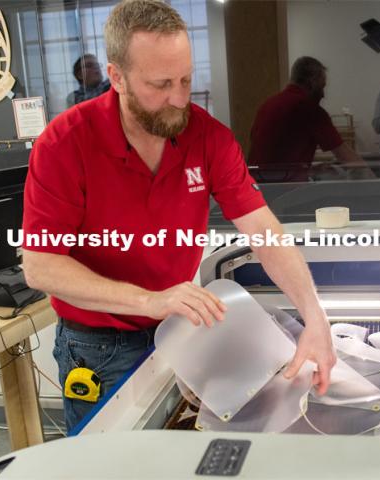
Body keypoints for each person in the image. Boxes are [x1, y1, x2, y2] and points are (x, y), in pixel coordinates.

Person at [22, 0, 336, 432]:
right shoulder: (64, 145)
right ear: (117, 78)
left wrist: (316, 319)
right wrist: (150, 300)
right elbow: (40, 266)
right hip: (98, 344)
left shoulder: (207, 137)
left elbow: (264, 231)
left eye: (186, 79)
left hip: (178, 328)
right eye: (161, 83)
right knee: (109, 461)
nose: (179, 98)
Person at [249, 56, 373, 182]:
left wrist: (309, 170)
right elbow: (350, 160)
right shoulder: (309, 109)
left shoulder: (267, 105)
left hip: (257, 188)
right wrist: (377, 186)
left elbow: (273, 157)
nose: (323, 95)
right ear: (312, 82)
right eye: (322, 86)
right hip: (284, 192)